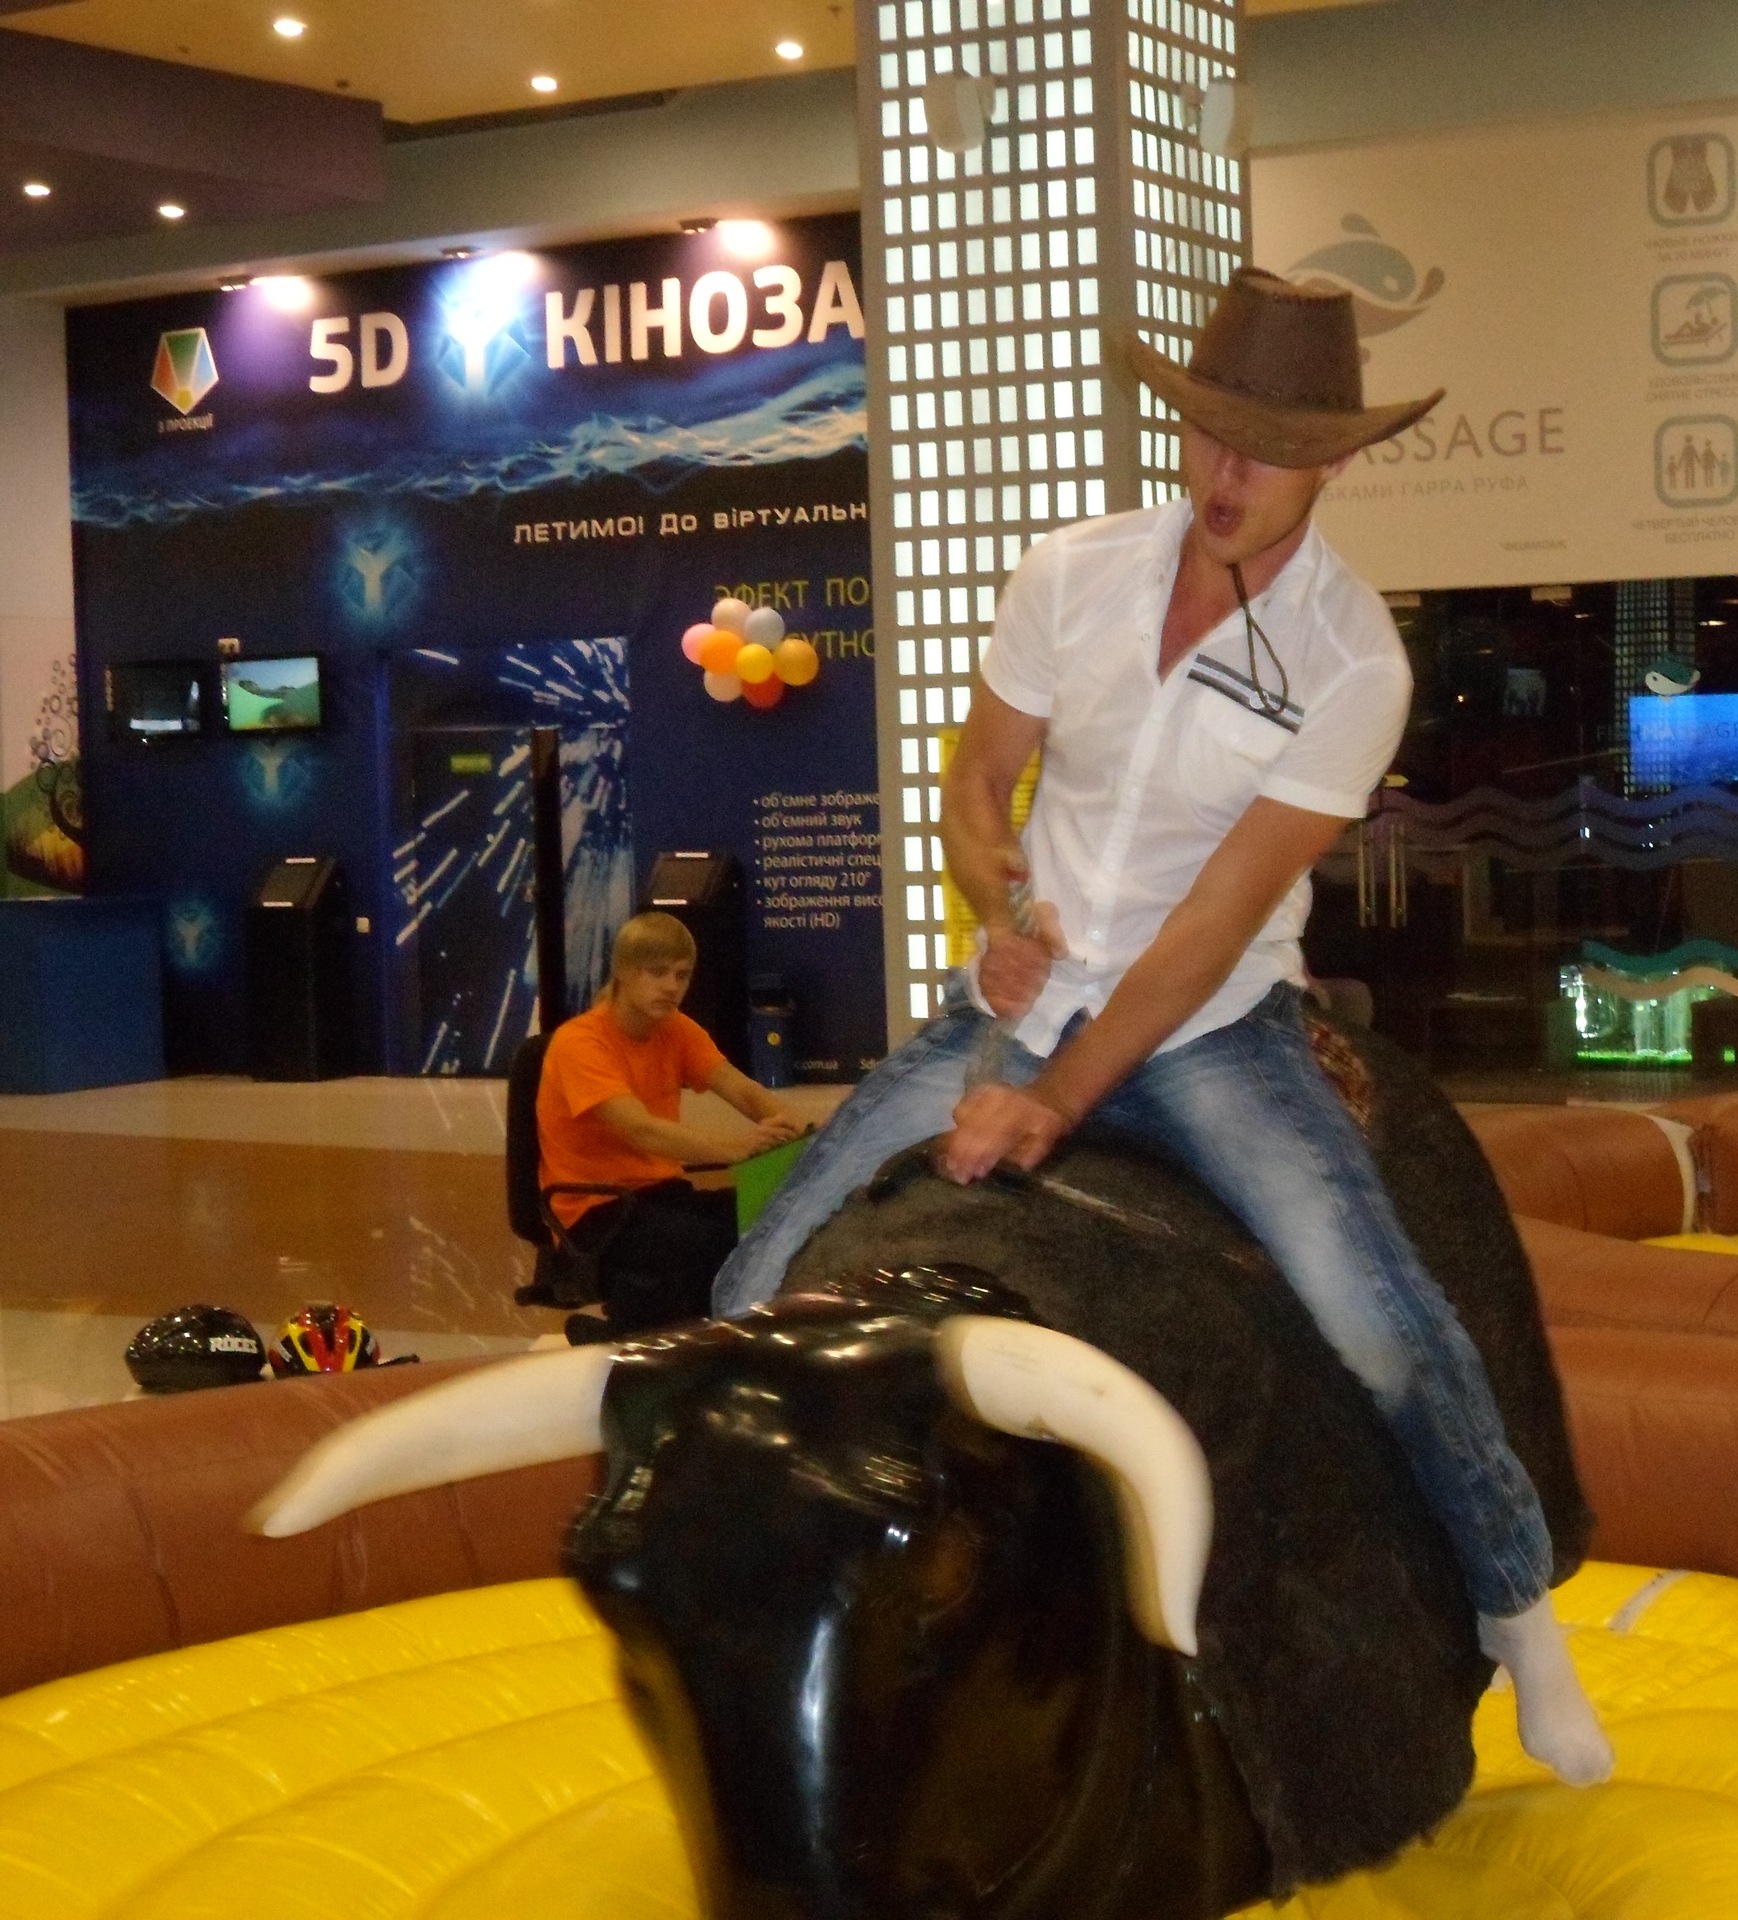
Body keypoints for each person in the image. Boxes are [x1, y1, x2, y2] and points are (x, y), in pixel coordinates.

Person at [712, 268, 1614, 1786]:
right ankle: (762, 1606)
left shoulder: (1354, 662)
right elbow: (977, 774)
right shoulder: (1071, 572)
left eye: (1267, 451)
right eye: (1209, 435)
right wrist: (994, 895)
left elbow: (1212, 922)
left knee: (1380, 1320)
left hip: (1217, 1028)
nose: (1225, 474)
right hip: (1027, 991)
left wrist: (1051, 1101)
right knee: (756, 1273)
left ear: (1334, 464)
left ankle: (1516, 1609)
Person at [536, 911, 805, 1337]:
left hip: (658, 1194)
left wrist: (802, 1133)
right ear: (623, 972)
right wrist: (737, 1149)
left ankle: (676, 1334)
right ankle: (637, 1334)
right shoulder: (579, 1043)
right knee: (708, 1242)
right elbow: (641, 1129)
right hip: (594, 1210)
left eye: (682, 975)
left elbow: (742, 1090)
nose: (672, 987)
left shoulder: (677, 1029)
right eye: (657, 972)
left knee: (766, 1219)